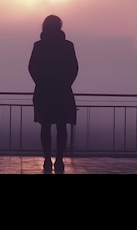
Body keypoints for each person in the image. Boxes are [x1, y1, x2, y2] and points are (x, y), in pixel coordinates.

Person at [28, 15, 79, 174]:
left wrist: (41, 82)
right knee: (62, 126)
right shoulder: (67, 46)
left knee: (45, 126)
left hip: (44, 91)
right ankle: (59, 159)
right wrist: (65, 83)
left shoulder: (39, 46)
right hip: (62, 91)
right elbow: (74, 68)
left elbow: (32, 67)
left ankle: (47, 159)